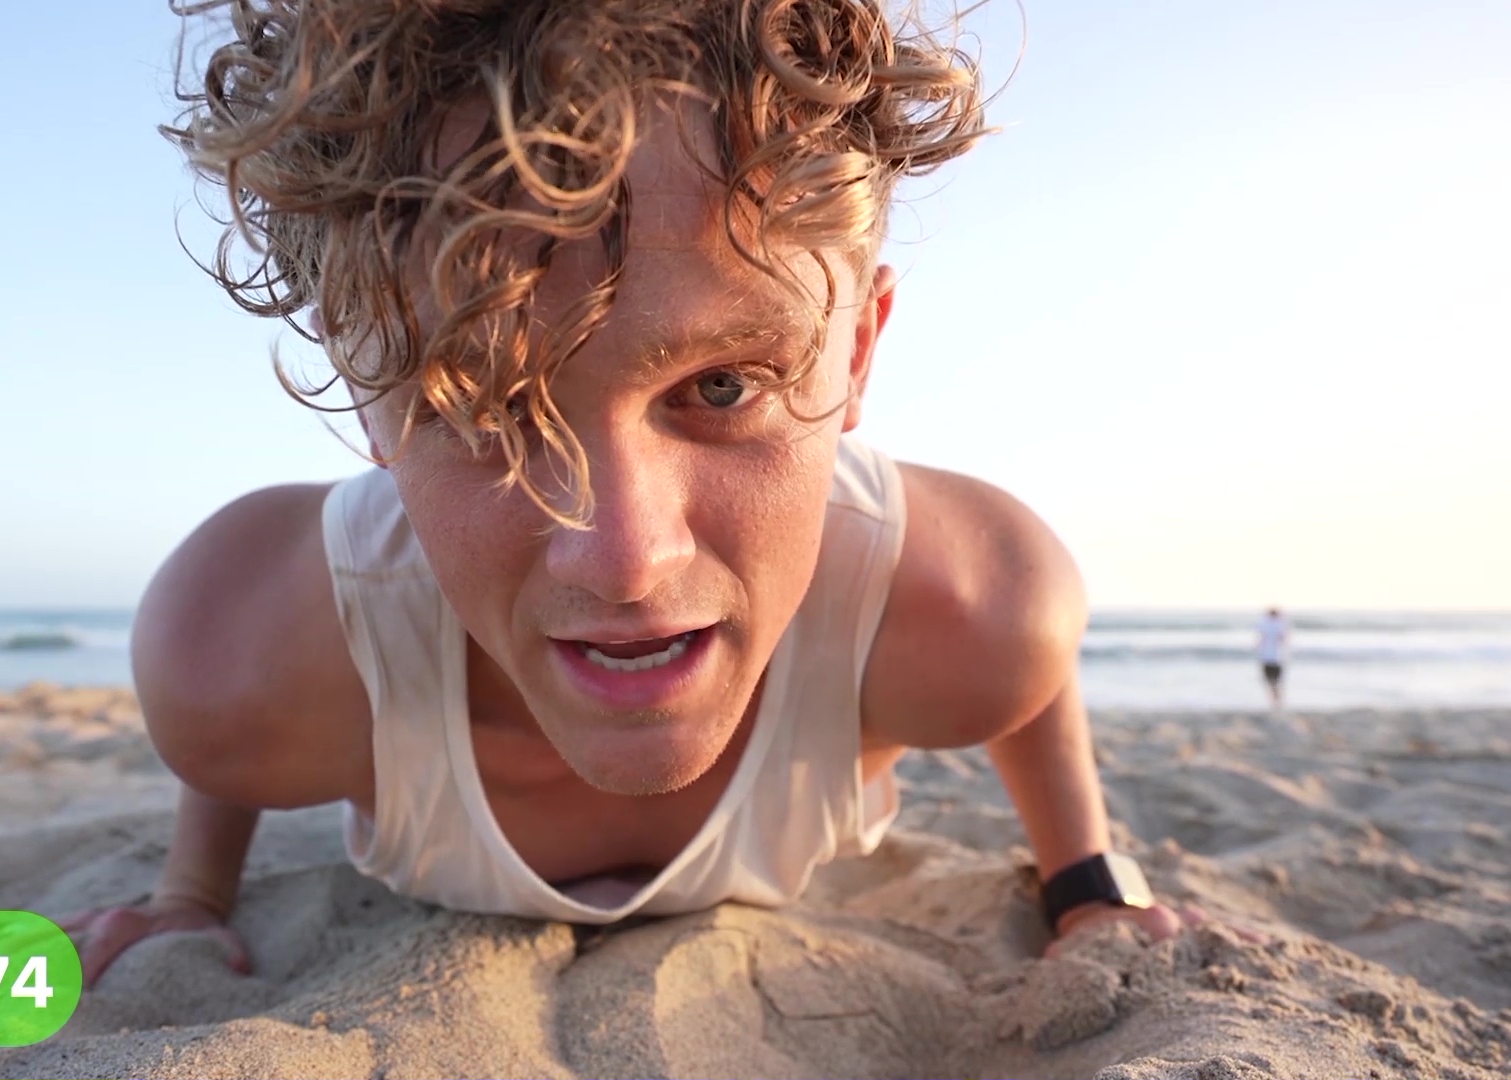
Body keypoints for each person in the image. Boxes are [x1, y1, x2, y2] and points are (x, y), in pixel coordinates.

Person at [62, 0, 1202, 988]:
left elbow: (1029, 665)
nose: (623, 558)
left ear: (856, 351)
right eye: (485, 407)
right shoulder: (246, 658)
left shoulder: (961, 608)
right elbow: (250, 689)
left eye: (723, 386)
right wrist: (188, 896)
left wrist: (1085, 878)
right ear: (365, 390)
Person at [1255, 606, 1292, 708]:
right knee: (1276, 681)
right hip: (1277, 657)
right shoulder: (1281, 623)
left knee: (1270, 681)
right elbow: (1284, 639)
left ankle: (1274, 701)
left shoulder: (1265, 623)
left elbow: (1261, 639)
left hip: (1268, 656)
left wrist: (1259, 649)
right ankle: (1277, 701)